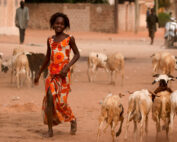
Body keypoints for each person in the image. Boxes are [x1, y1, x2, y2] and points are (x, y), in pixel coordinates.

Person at [34, 12, 80, 137]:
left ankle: (72, 119)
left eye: (62, 24)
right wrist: (39, 73)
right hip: (52, 75)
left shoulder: (70, 39)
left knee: (61, 103)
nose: (59, 25)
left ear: (65, 26)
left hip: (64, 76)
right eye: (57, 23)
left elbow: (77, 54)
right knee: (49, 98)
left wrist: (68, 66)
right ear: (53, 25)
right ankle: (50, 131)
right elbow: (47, 58)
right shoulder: (50, 40)